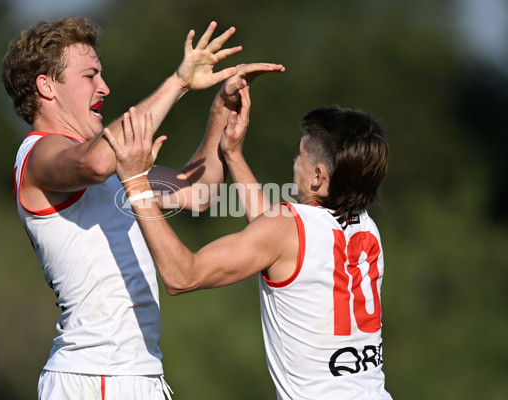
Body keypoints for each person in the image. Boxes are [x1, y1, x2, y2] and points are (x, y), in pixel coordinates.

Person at [2, 16, 285, 400]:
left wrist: (221, 110)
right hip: (94, 377)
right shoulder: (38, 154)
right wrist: (179, 82)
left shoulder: (117, 165)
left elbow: (197, 191)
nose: (104, 86)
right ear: (46, 86)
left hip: (138, 374)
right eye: (90, 76)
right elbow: (99, 162)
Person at [106, 86, 393, 399]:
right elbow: (274, 239)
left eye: (301, 155)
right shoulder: (365, 226)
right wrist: (232, 153)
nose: (295, 162)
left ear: (318, 178)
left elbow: (182, 276)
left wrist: (135, 182)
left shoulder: (286, 229)